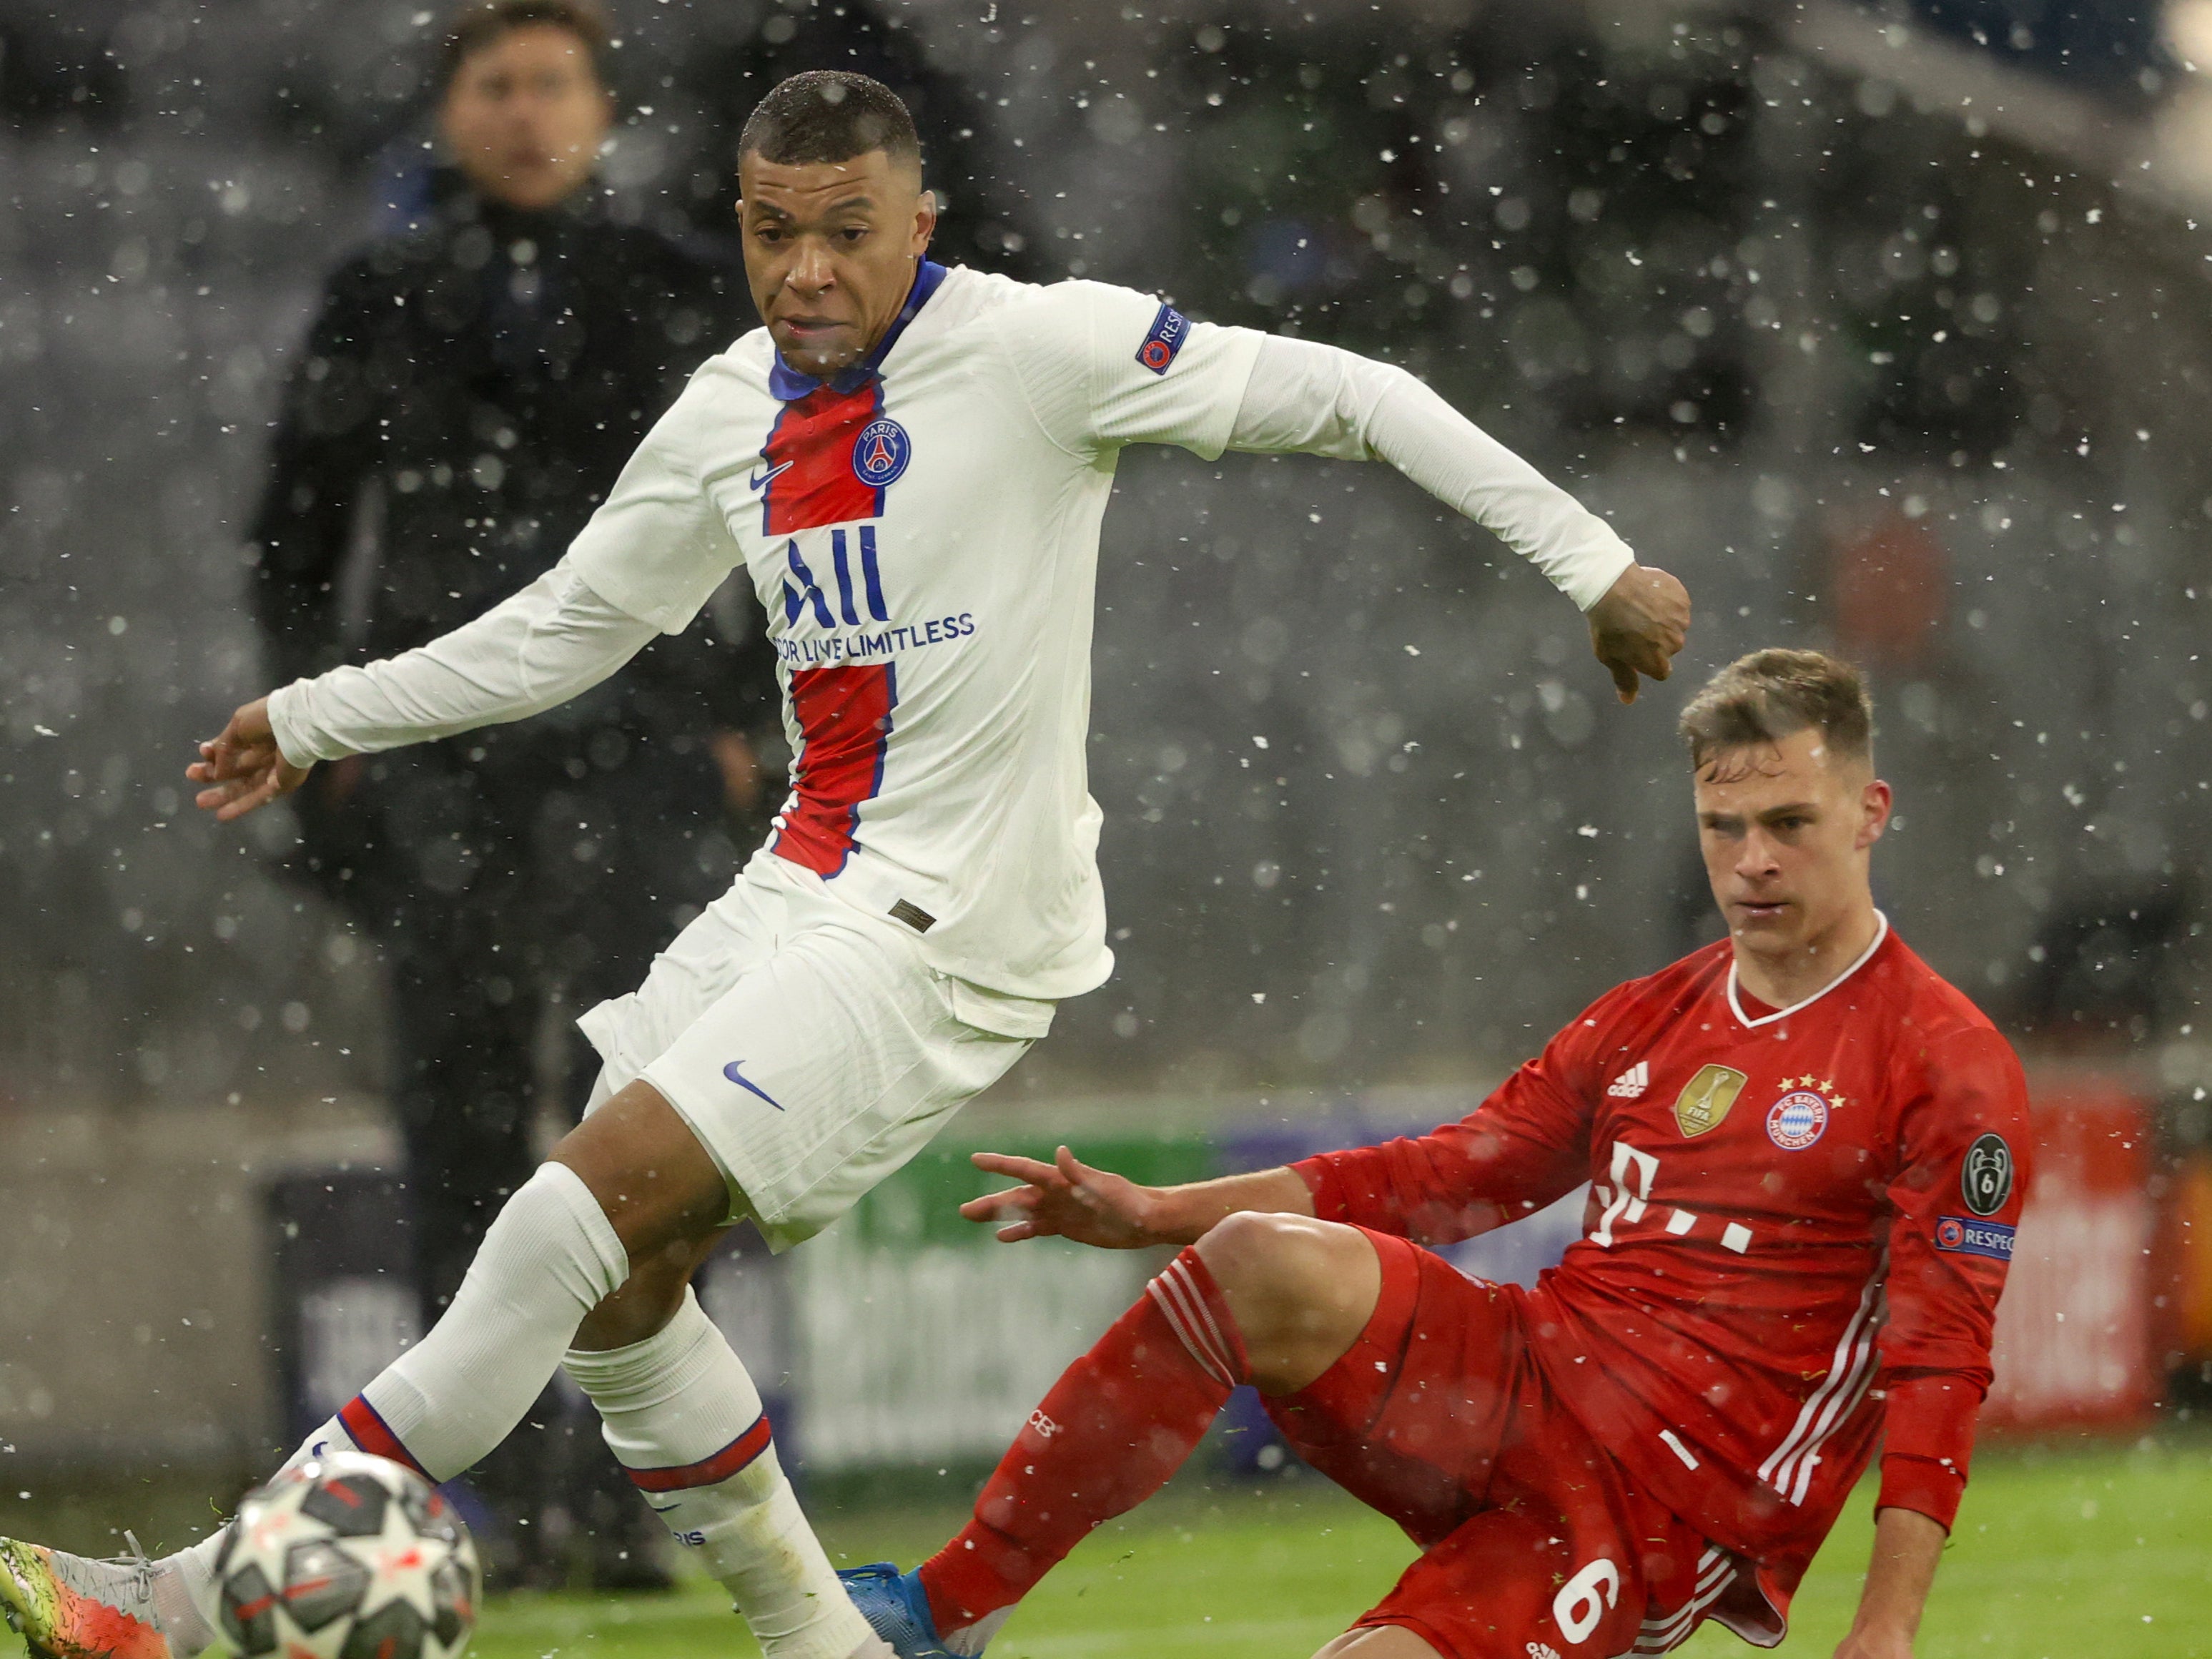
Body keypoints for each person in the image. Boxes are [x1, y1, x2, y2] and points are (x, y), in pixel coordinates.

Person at [0, 69, 1689, 1659]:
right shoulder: (731, 404)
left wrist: (1593, 560)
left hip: (949, 925)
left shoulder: (1042, 349)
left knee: (561, 1218)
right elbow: (569, 629)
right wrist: (318, 712)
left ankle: (199, 1598)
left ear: (919, 221)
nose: (801, 271)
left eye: (843, 232)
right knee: (624, 1290)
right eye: (767, 230)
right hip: (798, 889)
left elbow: (1358, 394)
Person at [835, 649, 2030, 1659]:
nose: (1752, 860)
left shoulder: (1942, 1061)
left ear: (1870, 815)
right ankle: (942, 1613)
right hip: (1526, 1377)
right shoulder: (1647, 1016)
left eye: (1787, 825)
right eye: (1723, 827)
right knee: (1256, 1259)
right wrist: (1155, 1213)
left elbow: (1938, 1360)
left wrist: (1882, 1630)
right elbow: (1447, 1175)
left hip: (1663, 1501)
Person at [251, 0, 774, 1587]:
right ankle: (487, 1497)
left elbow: (780, 504)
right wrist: (319, 718)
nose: (528, 111)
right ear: (450, 110)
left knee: (654, 1118)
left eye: (554, 82)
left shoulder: (681, 281)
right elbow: (292, 528)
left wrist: (751, 710)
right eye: (497, 84)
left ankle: (624, 1489)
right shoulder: (381, 291)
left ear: (600, 107)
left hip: (650, 739)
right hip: (442, 756)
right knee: (466, 1111)